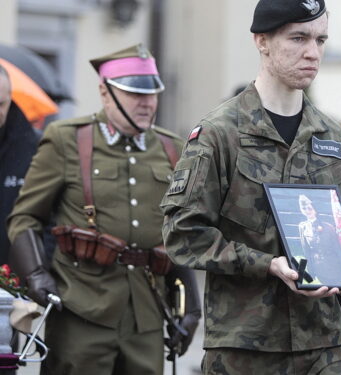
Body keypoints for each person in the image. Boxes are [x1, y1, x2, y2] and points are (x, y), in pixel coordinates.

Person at [160, 1, 341, 373]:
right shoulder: (219, 134)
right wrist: (267, 265)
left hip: (321, 345)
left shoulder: (333, 139)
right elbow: (183, 234)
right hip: (246, 346)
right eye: (298, 38)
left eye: (321, 40)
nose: (312, 52)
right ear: (261, 41)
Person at [6, 44, 201, 374]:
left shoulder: (172, 149)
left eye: (152, 93)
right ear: (105, 92)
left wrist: (190, 305)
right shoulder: (67, 140)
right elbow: (25, 217)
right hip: (81, 311)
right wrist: (37, 275)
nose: (147, 102)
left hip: (146, 313)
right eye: (134, 93)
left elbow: (178, 233)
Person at [0, 65, 40, 265]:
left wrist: (38, 269)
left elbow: (50, 216)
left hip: (18, 279)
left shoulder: (37, 148)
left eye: (1, 104)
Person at [298, 194, 341, 287]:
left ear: (315, 209)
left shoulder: (328, 227)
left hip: (335, 269)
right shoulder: (302, 227)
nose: (307, 211)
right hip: (320, 270)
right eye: (304, 209)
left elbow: (338, 251)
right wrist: (311, 271)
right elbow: (306, 251)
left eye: (310, 208)